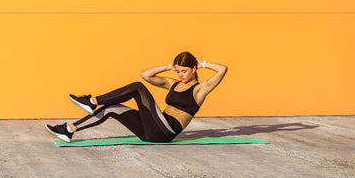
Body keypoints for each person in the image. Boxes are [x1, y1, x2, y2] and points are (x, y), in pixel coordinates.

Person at [45, 51, 228, 143]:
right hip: (151, 131)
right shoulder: (173, 84)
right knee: (112, 108)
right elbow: (145, 74)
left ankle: (92, 101)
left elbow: (222, 70)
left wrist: (202, 63)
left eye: (184, 71)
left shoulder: (199, 90)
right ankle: (69, 130)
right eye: (178, 71)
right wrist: (168, 66)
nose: (180, 75)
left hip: (167, 131)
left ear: (194, 69)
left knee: (137, 88)